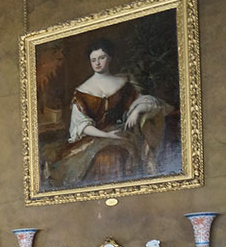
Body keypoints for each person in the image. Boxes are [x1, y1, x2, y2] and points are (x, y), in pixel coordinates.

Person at [47, 38, 170, 188]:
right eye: (93, 60)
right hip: (94, 138)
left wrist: (136, 110)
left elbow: (148, 102)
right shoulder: (82, 91)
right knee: (103, 157)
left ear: (110, 58)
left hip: (124, 133)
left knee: (115, 154)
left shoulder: (125, 83)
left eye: (101, 58)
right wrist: (106, 135)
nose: (97, 63)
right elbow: (81, 125)